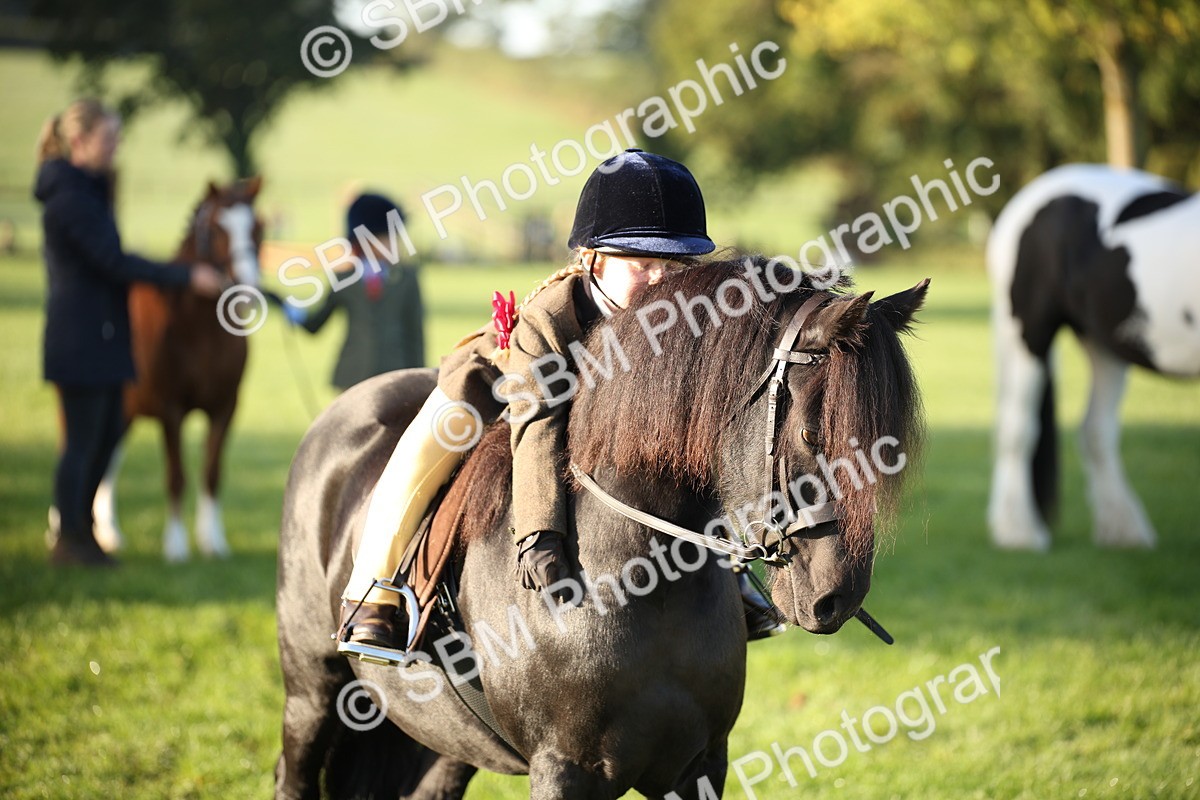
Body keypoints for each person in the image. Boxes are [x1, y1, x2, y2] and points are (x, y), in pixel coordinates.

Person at [336, 149, 784, 663]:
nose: (662, 279)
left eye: (674, 264)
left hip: (598, 415)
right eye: (643, 264)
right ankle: (373, 596)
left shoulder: (684, 320)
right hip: (498, 390)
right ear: (593, 257)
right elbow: (539, 425)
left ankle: (734, 579)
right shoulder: (549, 319)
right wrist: (539, 537)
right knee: (419, 453)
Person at [34, 98, 226, 567]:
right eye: (109, 138)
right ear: (80, 142)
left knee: (104, 439)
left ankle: (84, 533)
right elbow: (113, 262)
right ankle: (69, 538)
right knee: (81, 444)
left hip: (102, 336)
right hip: (79, 339)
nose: (116, 147)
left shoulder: (89, 190)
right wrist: (187, 276)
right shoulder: (70, 197)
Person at [284, 192, 425, 389]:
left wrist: (419, 381)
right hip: (353, 375)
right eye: (388, 237)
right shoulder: (343, 279)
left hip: (396, 377)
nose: (395, 244)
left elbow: (415, 333)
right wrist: (293, 311)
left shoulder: (407, 278)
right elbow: (316, 324)